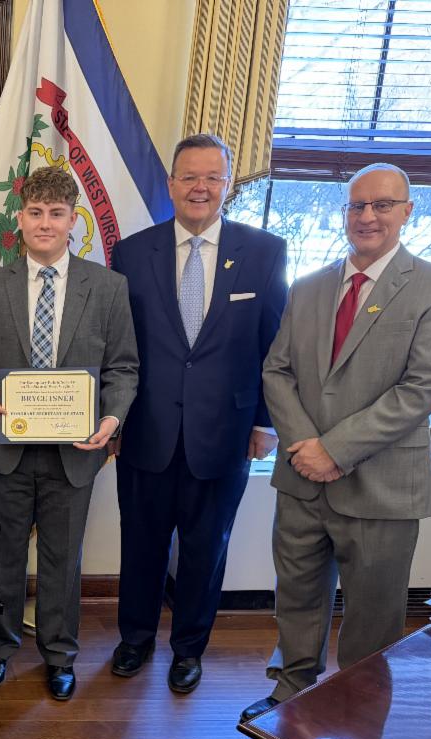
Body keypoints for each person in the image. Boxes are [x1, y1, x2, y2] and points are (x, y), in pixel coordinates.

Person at [241, 163, 431, 723]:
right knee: (296, 595)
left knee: (373, 611)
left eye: (382, 205)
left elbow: (422, 389)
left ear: (407, 212)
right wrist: (305, 446)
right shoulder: (310, 286)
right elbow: (277, 371)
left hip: (381, 484)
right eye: (357, 205)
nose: (367, 216)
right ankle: (290, 689)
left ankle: (356, 707)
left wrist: (335, 450)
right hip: (301, 477)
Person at [109, 134, 288, 693]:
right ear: (171, 184)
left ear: (228, 185)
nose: (200, 188)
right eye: (189, 177)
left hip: (226, 434)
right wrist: (113, 417)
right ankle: (134, 639)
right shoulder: (132, 253)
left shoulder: (264, 252)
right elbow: (117, 347)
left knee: (206, 550)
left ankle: (189, 648)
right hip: (145, 431)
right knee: (140, 545)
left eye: (212, 177)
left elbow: (273, 345)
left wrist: (265, 421)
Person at [0, 166, 139, 701]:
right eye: (35, 213)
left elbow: (124, 368)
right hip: (8, 452)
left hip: (76, 453)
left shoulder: (107, 288)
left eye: (56, 214)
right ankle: (0, 646)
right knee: (5, 555)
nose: (44, 223)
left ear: (72, 220)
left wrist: (110, 421)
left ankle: (60, 654)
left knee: (64, 559)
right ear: (20, 219)